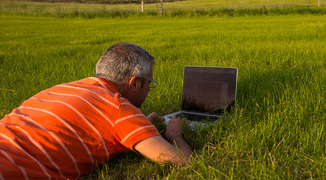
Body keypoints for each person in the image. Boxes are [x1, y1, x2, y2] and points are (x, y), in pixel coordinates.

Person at [0, 42, 192, 179]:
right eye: (149, 83)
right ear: (134, 83)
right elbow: (181, 161)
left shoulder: (64, 88)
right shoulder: (117, 108)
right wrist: (175, 135)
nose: (150, 89)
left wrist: (141, 126)